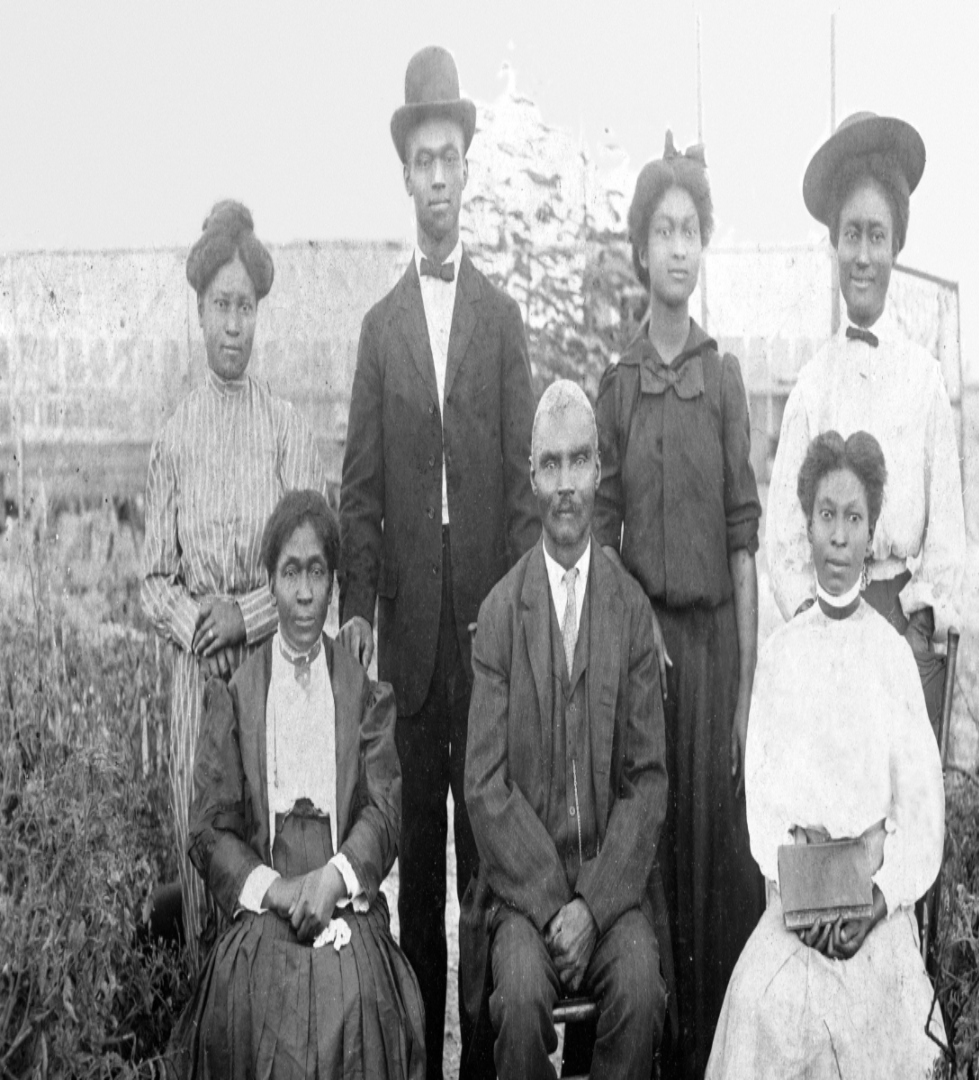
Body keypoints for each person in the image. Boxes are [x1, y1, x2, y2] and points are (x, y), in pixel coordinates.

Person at [337, 44, 540, 1079]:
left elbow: (520, 485)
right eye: (423, 160)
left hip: (487, 642)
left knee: (485, 875)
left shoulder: (502, 323)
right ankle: (417, 1061)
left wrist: (511, 620)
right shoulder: (380, 330)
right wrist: (363, 620)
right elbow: (360, 493)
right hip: (410, 652)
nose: (439, 178)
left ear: (469, 168)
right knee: (414, 881)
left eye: (452, 157)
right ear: (407, 175)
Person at [593, 130, 762, 1078]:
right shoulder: (619, 385)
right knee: (650, 857)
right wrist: (638, 638)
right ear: (641, 250)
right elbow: (606, 540)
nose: (679, 248)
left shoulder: (723, 378)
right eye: (663, 230)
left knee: (714, 864)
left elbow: (743, 536)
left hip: (713, 654)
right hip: (641, 658)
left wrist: (740, 687)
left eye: (692, 229)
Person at [706, 430, 945, 1079]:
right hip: (798, 907)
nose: (839, 537)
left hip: (876, 909)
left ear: (871, 535)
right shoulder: (782, 656)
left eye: (854, 518)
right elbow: (764, 805)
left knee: (885, 1028)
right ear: (807, 528)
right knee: (762, 1007)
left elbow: (923, 820)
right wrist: (795, 883)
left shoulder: (892, 657)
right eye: (826, 517)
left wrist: (875, 899)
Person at [180, 490, 424, 1079]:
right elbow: (208, 829)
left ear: (335, 584)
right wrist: (278, 890)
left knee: (364, 1005)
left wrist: (334, 878)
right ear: (272, 584)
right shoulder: (239, 693)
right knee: (247, 1005)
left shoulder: (362, 691)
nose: (306, 593)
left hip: (342, 892)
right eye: (291, 573)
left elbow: (385, 812)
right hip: (269, 896)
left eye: (318, 572)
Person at [463, 380, 668, 1080]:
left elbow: (647, 780)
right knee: (518, 999)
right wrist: (557, 905)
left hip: (611, 896)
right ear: (530, 476)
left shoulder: (630, 611)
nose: (565, 485)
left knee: (641, 991)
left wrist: (595, 903)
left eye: (578, 462)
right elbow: (484, 786)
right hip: (526, 898)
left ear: (599, 472)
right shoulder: (500, 614)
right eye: (550, 465)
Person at [142, 200, 325, 962]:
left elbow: (314, 568)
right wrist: (196, 623)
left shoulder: (288, 432)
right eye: (220, 307)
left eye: (245, 308)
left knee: (266, 857)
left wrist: (244, 618)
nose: (232, 326)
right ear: (199, 313)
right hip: (196, 686)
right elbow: (153, 580)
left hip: (269, 678)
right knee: (203, 851)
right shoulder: (174, 439)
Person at [767, 112, 965, 730]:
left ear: (895, 248)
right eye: (850, 234)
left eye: (876, 236)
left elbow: (948, 532)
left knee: (904, 815)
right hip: (830, 630)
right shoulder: (811, 387)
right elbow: (781, 538)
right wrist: (816, 626)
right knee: (838, 818)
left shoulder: (924, 380)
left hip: (903, 627)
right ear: (833, 243)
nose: (862, 255)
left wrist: (918, 625)